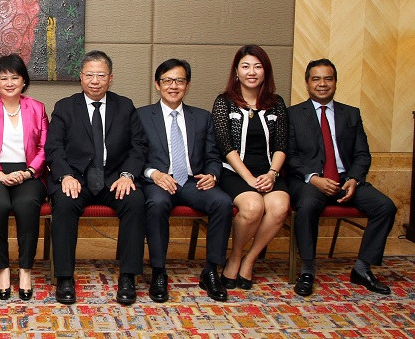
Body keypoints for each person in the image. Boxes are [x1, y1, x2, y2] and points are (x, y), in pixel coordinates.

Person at [45, 50, 148, 305]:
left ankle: (128, 276)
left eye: (100, 75)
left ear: (110, 78)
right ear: (81, 77)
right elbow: (53, 147)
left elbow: (139, 146)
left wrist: (127, 175)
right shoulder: (65, 107)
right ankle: (65, 277)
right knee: (65, 204)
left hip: (114, 178)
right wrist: (66, 176)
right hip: (77, 178)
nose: (94, 80)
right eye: (89, 75)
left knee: (135, 202)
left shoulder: (124, 106)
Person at [287, 59, 396, 296]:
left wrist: (354, 179)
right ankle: (307, 270)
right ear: (307, 83)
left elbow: (362, 154)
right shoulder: (293, 114)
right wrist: (313, 177)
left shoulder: (351, 114)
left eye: (328, 78)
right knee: (306, 206)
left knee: (385, 206)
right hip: (309, 180)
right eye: (316, 79)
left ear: (335, 82)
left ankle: (362, 267)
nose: (322, 84)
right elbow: (289, 156)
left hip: (346, 179)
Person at [138, 59, 233, 302]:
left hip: (193, 182)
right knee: (157, 205)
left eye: (179, 81)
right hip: (158, 181)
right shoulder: (141, 116)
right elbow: (133, 156)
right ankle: (159, 272)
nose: (173, 86)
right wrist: (154, 174)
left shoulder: (202, 117)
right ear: (157, 85)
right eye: (167, 80)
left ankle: (211, 271)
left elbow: (214, 156)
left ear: (187, 85)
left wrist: (212, 175)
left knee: (222, 202)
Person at [211, 45, 289, 290]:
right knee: (253, 206)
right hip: (234, 171)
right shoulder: (224, 102)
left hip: (269, 171)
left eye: (257, 66)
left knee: (279, 206)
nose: (251, 72)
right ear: (236, 71)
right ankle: (234, 256)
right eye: (245, 66)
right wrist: (248, 178)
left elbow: (282, 144)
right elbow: (224, 145)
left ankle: (249, 259)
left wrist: (271, 174)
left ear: (265, 71)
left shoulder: (276, 103)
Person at [0, 54, 48, 301]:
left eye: (15, 77)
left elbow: (46, 147)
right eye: (3, 78)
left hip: (29, 170)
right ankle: (2, 269)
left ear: (24, 81)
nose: (9, 82)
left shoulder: (37, 107)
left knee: (27, 204)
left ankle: (25, 270)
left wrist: (28, 172)